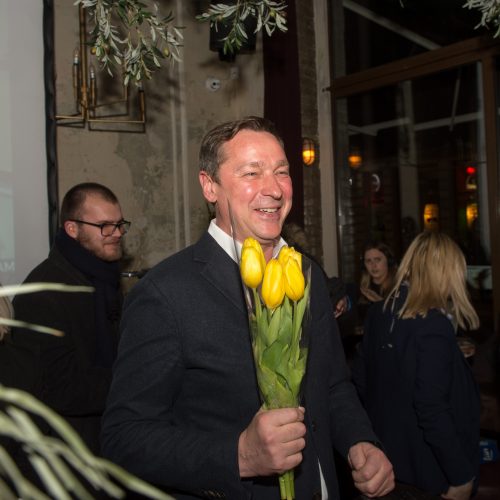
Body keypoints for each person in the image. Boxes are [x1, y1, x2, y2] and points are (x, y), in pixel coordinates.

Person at [101, 116, 394, 499]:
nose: (272, 189)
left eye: (281, 172)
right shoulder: (165, 294)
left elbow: (333, 384)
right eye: (251, 173)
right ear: (210, 187)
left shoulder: (307, 273)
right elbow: (123, 438)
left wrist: (360, 441)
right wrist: (237, 455)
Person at [0, 182, 129, 455]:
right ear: (73, 229)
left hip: (111, 435)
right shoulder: (44, 293)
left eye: (119, 224)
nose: (116, 233)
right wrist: (134, 381)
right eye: (105, 226)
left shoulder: (104, 281)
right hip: (70, 452)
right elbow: (58, 387)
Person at [352, 231, 480, 499]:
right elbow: (431, 407)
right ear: (444, 272)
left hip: (384, 467)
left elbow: (363, 384)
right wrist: (461, 476)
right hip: (429, 475)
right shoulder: (434, 324)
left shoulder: (378, 314)